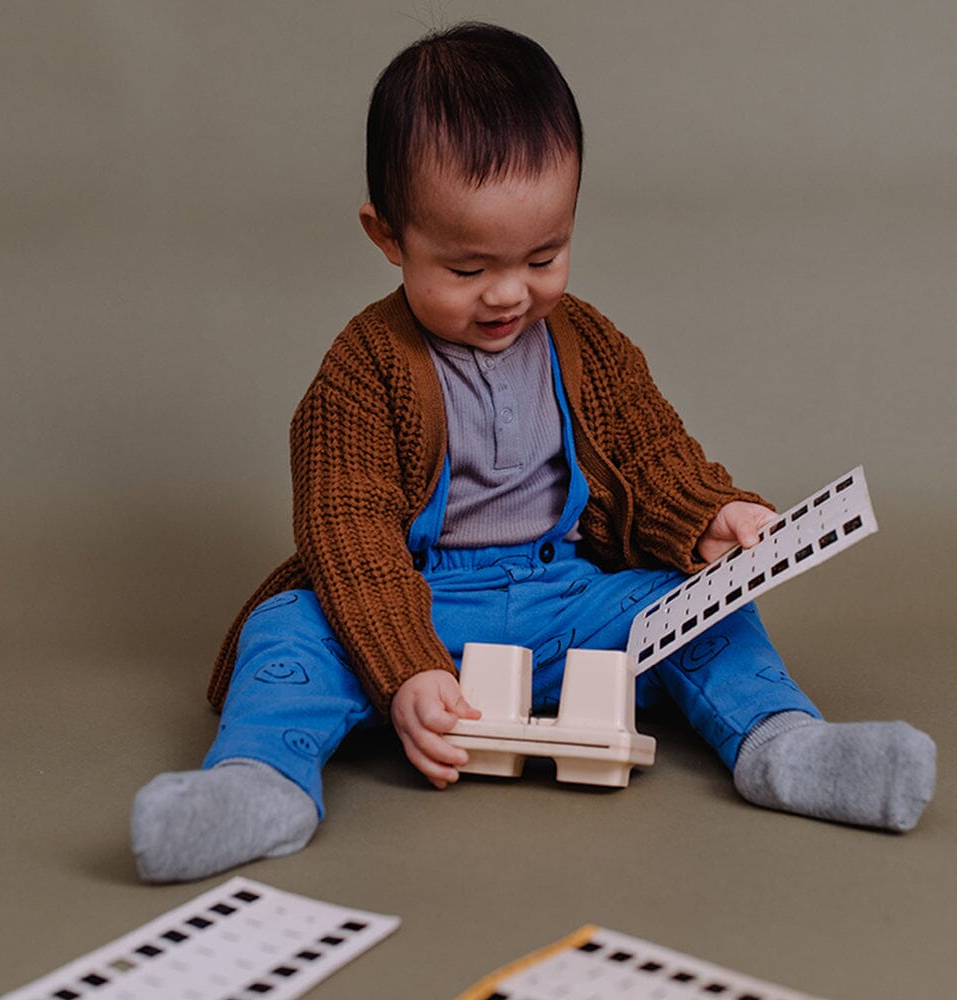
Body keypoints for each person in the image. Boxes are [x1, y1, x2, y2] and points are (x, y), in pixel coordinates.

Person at [131, 22, 935, 883]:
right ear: (388, 236)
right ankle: (261, 781)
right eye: (468, 268)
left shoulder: (584, 340)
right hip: (423, 609)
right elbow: (350, 536)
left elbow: (650, 446)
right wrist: (404, 668)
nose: (512, 292)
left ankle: (783, 744)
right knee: (288, 630)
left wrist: (709, 516)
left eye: (544, 255)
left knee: (703, 608)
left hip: (565, 600)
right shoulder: (361, 372)